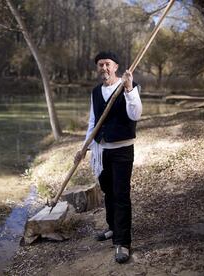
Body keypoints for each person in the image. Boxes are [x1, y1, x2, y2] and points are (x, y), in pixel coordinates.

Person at [74, 51, 142, 263]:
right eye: (100, 65)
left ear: (116, 67)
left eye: (107, 64)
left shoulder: (129, 86)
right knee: (108, 193)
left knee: (121, 195)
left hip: (122, 149)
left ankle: (123, 242)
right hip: (101, 151)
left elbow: (136, 114)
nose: (104, 68)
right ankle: (113, 228)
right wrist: (84, 147)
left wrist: (129, 89)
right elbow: (93, 123)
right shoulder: (95, 92)